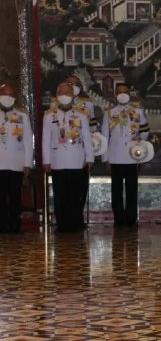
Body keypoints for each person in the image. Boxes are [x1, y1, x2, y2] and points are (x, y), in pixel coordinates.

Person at [42, 82, 93, 232]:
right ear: (57, 96)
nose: (64, 96)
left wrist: (89, 158)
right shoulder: (49, 115)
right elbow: (45, 139)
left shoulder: (81, 115)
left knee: (76, 194)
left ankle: (76, 223)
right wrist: (46, 161)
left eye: (68, 93)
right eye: (62, 93)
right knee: (60, 195)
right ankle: (62, 224)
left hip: (77, 160)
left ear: (73, 96)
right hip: (57, 160)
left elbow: (87, 138)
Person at [101, 83, 149, 227]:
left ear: (130, 93)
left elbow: (145, 130)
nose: (122, 94)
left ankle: (131, 218)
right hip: (114, 157)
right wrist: (105, 159)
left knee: (131, 189)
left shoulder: (138, 112)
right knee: (116, 190)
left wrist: (141, 140)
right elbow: (104, 136)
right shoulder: (109, 113)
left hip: (132, 156)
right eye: (119, 92)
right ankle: (118, 218)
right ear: (115, 95)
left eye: (125, 92)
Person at [0, 83, 33, 233]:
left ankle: (14, 224)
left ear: (15, 98)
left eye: (10, 95)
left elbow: (27, 141)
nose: (7, 98)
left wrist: (27, 163)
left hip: (16, 163)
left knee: (15, 196)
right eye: (4, 94)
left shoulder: (22, 116)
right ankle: (2, 225)